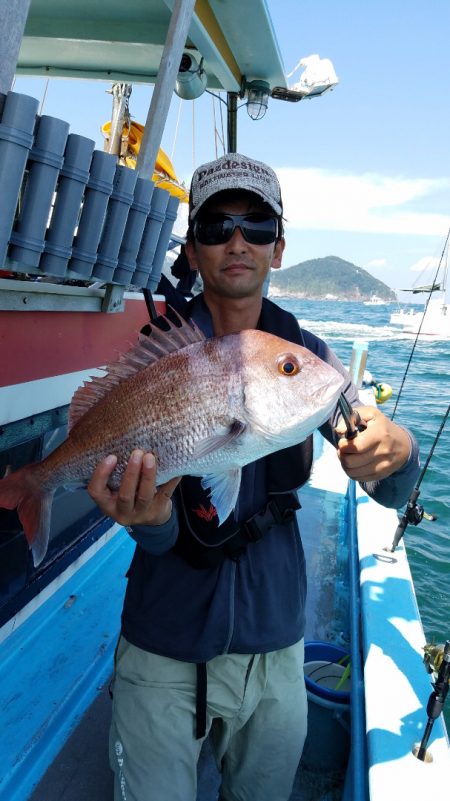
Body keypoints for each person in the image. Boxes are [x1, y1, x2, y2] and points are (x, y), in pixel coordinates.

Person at [87, 153, 420, 801]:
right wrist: (151, 525)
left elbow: (393, 488)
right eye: (216, 225)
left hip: (274, 649)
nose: (237, 241)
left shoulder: (307, 359)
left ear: (279, 247)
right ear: (192, 248)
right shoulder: (157, 362)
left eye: (256, 225)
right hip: (162, 647)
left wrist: (397, 451)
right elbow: (151, 532)